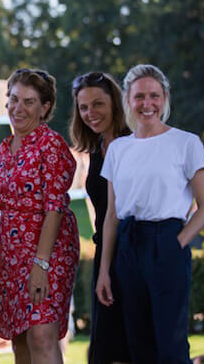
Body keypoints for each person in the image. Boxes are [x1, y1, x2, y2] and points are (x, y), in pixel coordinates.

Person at [96, 64, 204, 364]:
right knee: (139, 342)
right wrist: (105, 271)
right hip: (127, 244)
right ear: (129, 101)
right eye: (139, 97)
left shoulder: (186, 143)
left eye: (154, 96)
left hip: (167, 241)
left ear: (164, 98)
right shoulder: (118, 149)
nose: (147, 104)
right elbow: (111, 215)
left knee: (170, 344)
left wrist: (177, 243)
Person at [0, 68, 79, 364]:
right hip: (11, 254)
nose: (18, 108)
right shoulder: (3, 149)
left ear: (45, 108)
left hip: (47, 251)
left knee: (41, 336)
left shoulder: (50, 144)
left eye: (29, 101)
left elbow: (54, 207)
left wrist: (41, 264)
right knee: (20, 340)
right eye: (14, 99)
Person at [69, 71, 131, 364]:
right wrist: (103, 268)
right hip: (106, 256)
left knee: (137, 344)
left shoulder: (135, 143)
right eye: (83, 107)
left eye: (98, 104)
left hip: (135, 254)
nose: (90, 113)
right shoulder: (96, 149)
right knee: (104, 349)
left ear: (115, 103)